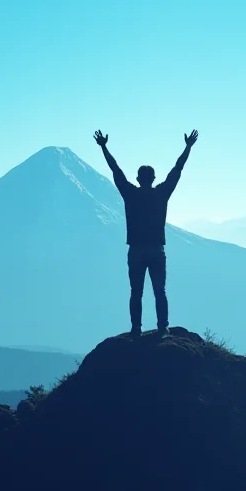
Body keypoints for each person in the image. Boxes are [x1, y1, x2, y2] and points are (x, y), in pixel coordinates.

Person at [94, 128, 199, 338]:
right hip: (156, 249)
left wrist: (104, 147)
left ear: (138, 178)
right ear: (153, 178)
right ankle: (163, 327)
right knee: (160, 290)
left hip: (136, 250)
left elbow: (116, 171)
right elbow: (177, 170)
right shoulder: (162, 193)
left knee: (136, 292)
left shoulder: (130, 194)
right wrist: (188, 147)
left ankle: (136, 329)